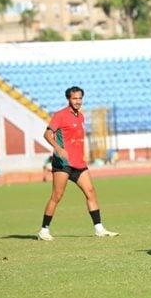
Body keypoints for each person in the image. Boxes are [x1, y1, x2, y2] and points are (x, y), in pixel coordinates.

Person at [37, 86, 118, 241]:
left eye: (80, 98)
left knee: (91, 192)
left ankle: (99, 229)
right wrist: (58, 149)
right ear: (69, 99)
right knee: (57, 196)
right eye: (74, 98)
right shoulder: (60, 115)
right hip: (63, 164)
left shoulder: (81, 116)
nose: (78, 101)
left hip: (79, 164)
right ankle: (44, 230)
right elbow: (47, 134)